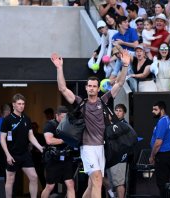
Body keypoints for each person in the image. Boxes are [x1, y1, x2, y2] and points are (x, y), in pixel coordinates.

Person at [51, 49, 130, 198]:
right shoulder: (81, 103)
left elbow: (119, 83)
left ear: (98, 88)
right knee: (98, 179)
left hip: (101, 147)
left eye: (95, 86)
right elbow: (62, 88)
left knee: (92, 184)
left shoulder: (104, 100)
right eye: (90, 86)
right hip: (87, 147)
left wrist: (125, 66)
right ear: (86, 87)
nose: (92, 88)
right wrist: (59, 68)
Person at [0, 93, 44, 198]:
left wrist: (40, 147)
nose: (21, 106)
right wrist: (8, 155)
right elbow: (2, 139)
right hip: (12, 155)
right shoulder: (7, 120)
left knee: (34, 177)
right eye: (19, 104)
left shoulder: (27, 119)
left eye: (23, 104)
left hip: (25, 154)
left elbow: (31, 136)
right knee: (10, 180)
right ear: (14, 105)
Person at [41, 106, 75, 198]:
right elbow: (49, 140)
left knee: (70, 183)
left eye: (66, 117)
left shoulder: (69, 125)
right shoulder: (50, 124)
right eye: (63, 117)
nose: (65, 119)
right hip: (53, 160)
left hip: (66, 158)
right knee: (50, 186)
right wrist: (65, 140)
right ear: (57, 115)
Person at [149, 101, 170, 197]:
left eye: (155, 109)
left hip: (163, 155)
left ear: (162, 110)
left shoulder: (163, 121)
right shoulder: (166, 120)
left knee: (162, 183)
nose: (153, 111)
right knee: (164, 183)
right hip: (166, 155)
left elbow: (158, 142)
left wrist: (152, 156)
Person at [105, 103, 128, 198]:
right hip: (109, 157)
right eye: (116, 110)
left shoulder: (124, 125)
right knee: (109, 182)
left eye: (120, 111)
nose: (117, 113)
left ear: (124, 113)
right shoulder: (111, 123)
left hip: (119, 158)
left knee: (119, 183)